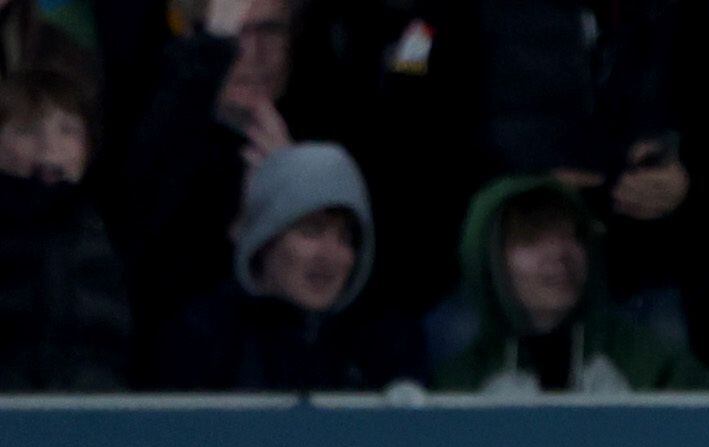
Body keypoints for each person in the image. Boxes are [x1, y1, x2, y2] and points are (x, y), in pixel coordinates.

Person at [157, 140, 425, 389]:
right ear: (264, 238)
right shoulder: (202, 338)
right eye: (312, 231)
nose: (329, 256)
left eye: (346, 238)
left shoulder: (386, 349)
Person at [114, 0, 296, 339]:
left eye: (270, 31)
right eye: (236, 33)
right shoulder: (144, 139)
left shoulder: (330, 131)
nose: (253, 53)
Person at [435, 174, 709, 393]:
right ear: (489, 262)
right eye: (530, 239)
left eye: (573, 235)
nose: (561, 253)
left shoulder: (654, 365)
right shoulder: (458, 385)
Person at [0, 63, 130, 391]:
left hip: (98, 420)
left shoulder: (116, 224)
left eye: (68, 130)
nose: (49, 145)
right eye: (28, 130)